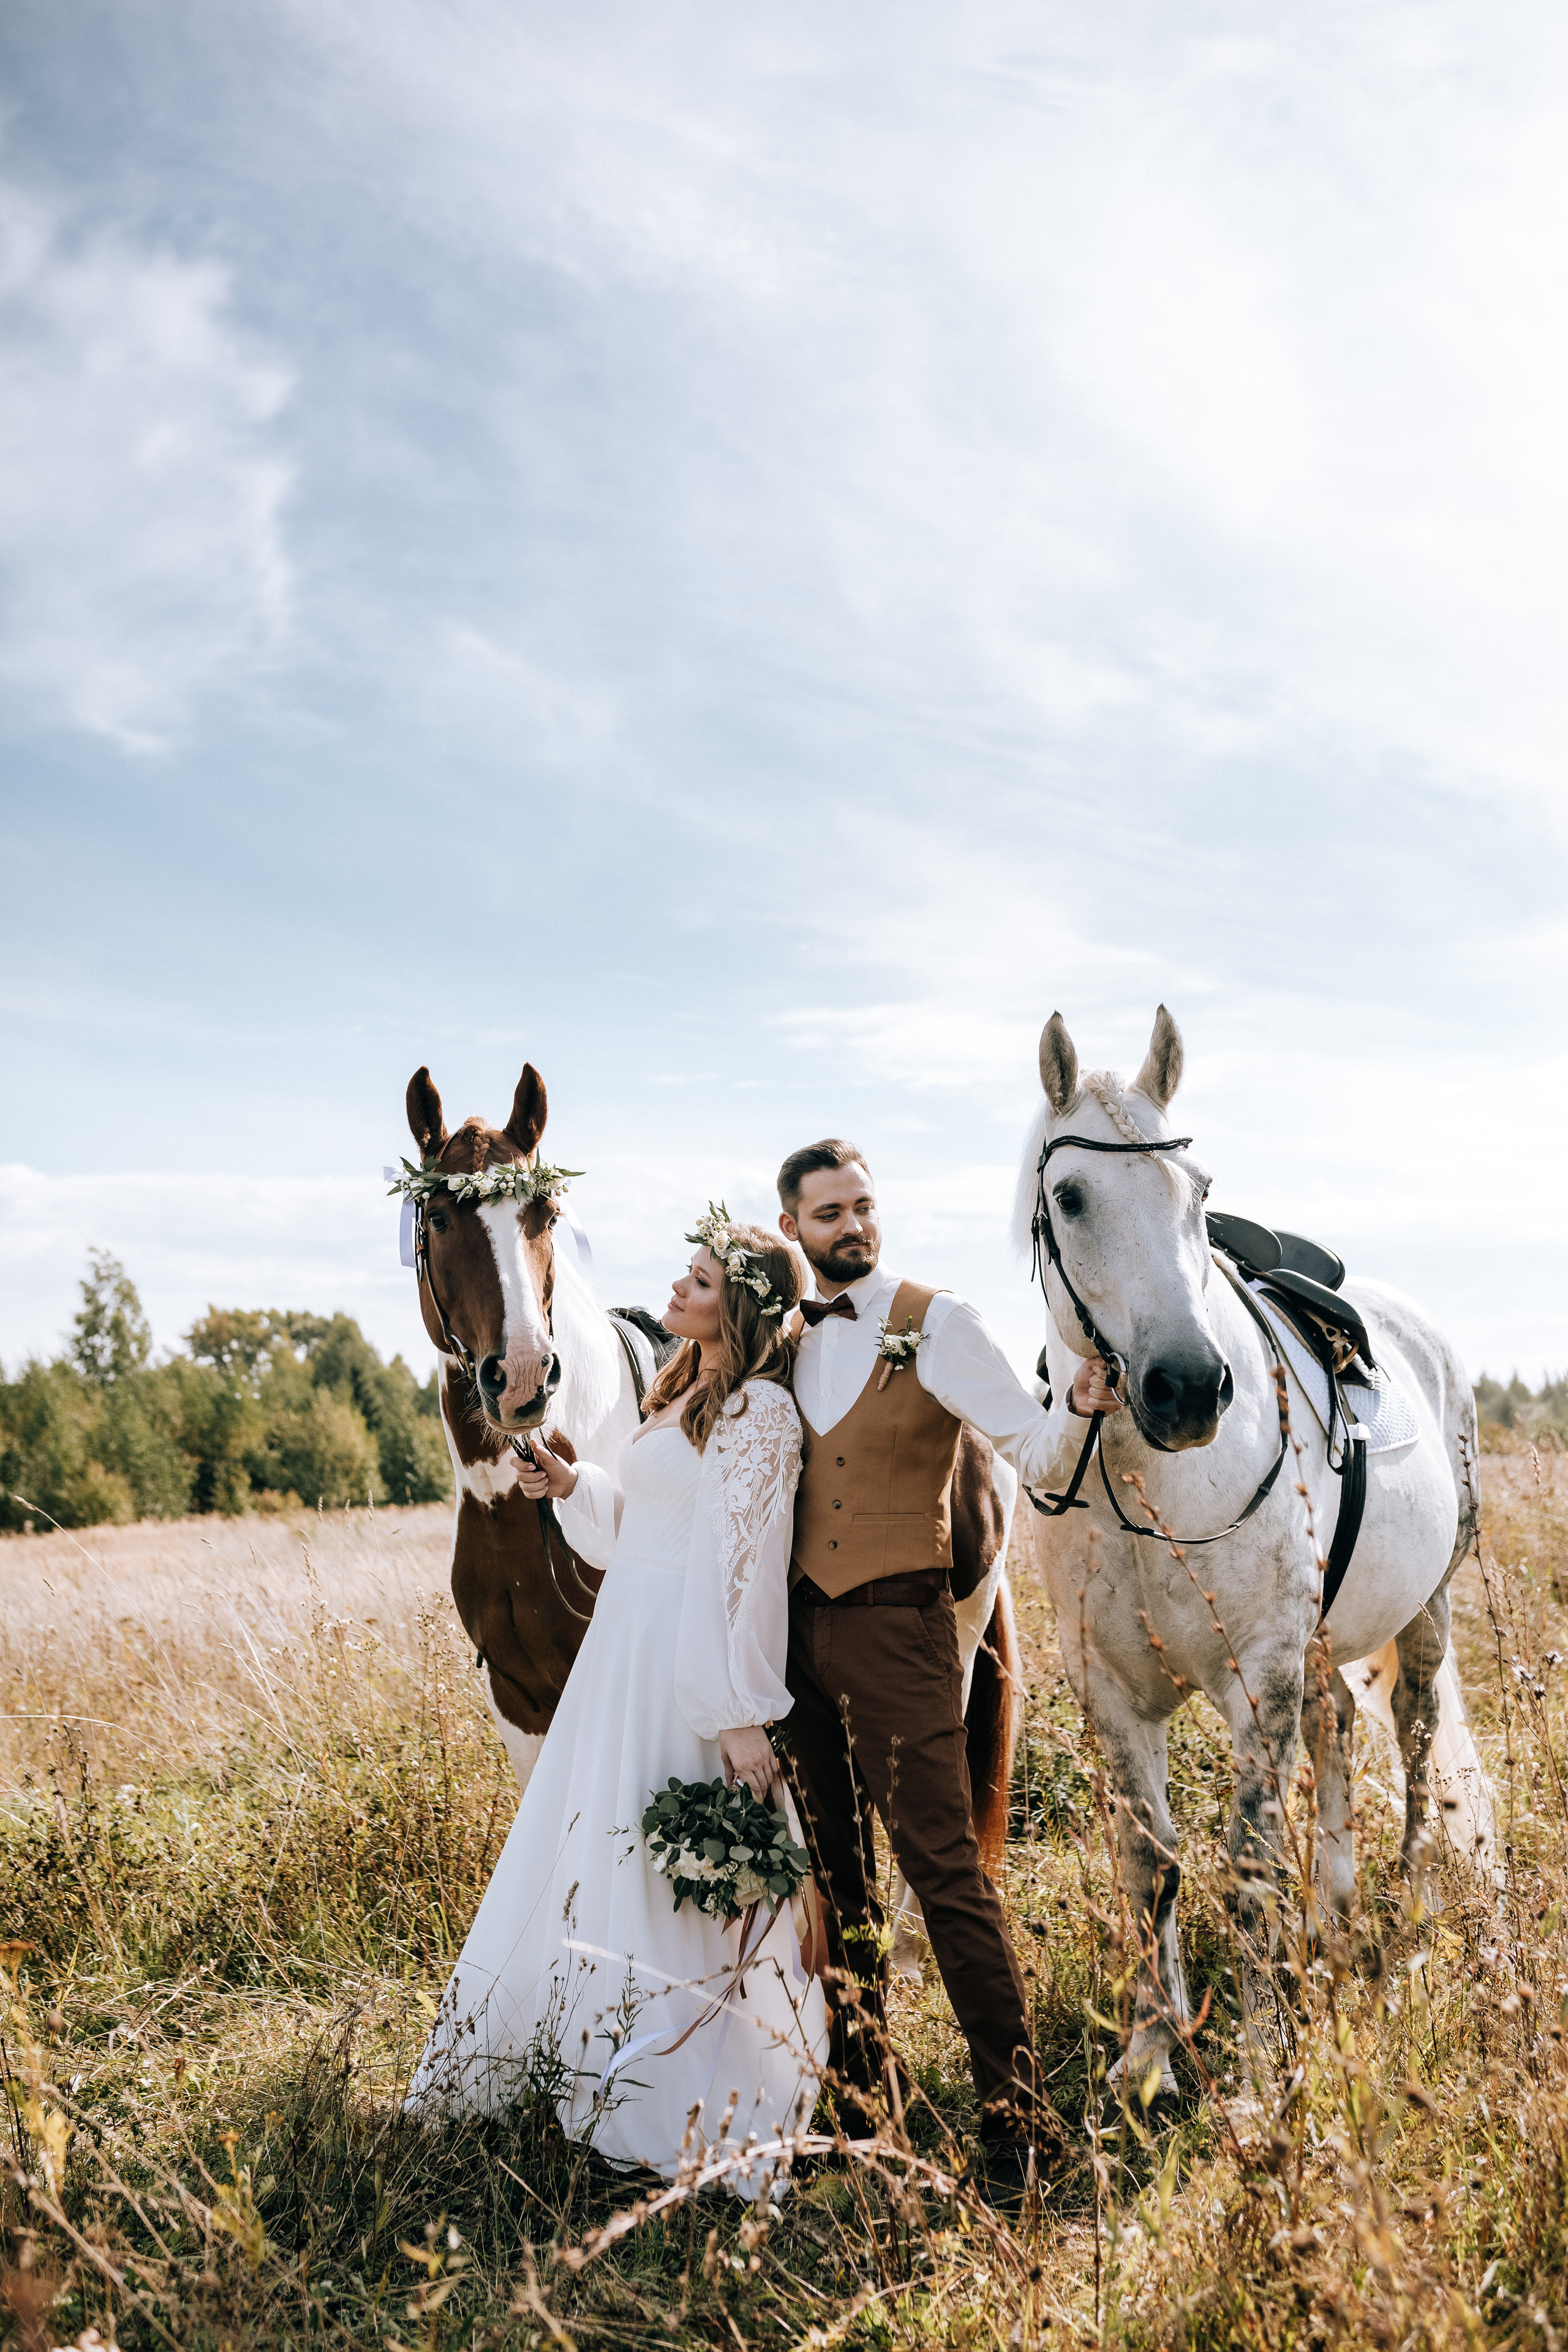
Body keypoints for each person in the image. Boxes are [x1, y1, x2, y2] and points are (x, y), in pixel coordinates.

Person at [404, 1210, 827, 2202]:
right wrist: (573, 1483)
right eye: (685, 1273)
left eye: (702, 1282)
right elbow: (637, 1529)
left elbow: (745, 1571)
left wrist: (734, 1708)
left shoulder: (762, 1412)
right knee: (599, 1860)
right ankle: (587, 2072)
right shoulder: (679, 1386)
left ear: (747, 1311)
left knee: (670, 1878)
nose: (676, 1289)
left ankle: (669, 2096)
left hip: (685, 1666)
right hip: (621, 1652)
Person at [775, 1138, 1122, 2208]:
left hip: (901, 1634)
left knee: (945, 1876)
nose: (852, 1225)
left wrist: (1082, 1407)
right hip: (796, 1641)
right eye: (828, 1211)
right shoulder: (780, 1339)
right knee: (836, 1881)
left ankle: (1017, 2128)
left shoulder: (938, 1321)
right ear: (791, 1227)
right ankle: (860, 2109)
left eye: (863, 1205)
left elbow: (1033, 1449)